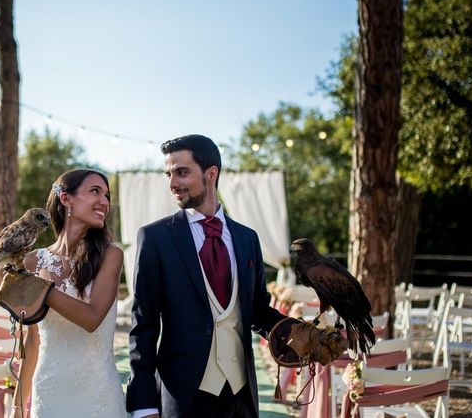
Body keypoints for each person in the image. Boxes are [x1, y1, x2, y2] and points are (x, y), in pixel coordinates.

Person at [127, 134, 286, 418]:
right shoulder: (155, 238)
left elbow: (258, 311)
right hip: (184, 395)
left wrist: (297, 331)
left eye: (182, 172)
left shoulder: (247, 238)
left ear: (211, 174)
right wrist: (143, 403)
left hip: (242, 396)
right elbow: (144, 325)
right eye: (169, 174)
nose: (173, 183)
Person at [16, 169, 126, 417]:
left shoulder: (110, 255)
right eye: (95, 192)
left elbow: (92, 318)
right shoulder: (33, 261)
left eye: (107, 195)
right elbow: (32, 341)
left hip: (98, 396)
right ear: (66, 199)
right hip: (48, 393)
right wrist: (17, 406)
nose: (104, 202)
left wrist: (38, 288)